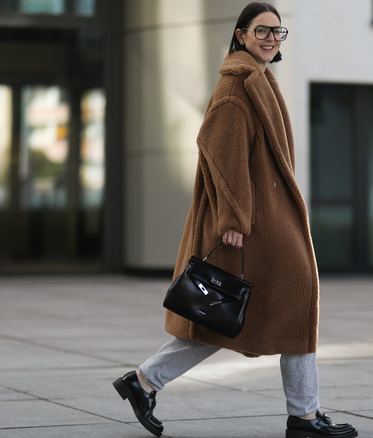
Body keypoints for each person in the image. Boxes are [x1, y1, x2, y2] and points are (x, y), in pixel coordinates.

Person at [112, 3, 358, 438]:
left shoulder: (258, 80)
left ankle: (145, 381)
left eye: (277, 32)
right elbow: (222, 153)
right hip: (247, 226)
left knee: (223, 317)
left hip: (262, 221)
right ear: (241, 35)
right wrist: (234, 216)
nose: (270, 38)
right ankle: (302, 417)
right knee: (247, 310)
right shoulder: (235, 88)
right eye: (261, 31)